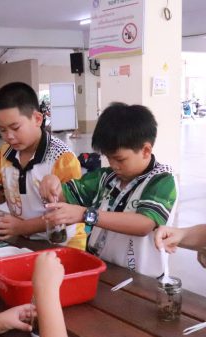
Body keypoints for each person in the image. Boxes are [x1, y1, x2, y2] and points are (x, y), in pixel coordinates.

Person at [40, 102, 177, 277]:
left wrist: (86, 214)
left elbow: (144, 224)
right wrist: (52, 182)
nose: (114, 165)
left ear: (145, 150)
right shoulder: (105, 177)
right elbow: (65, 195)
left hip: (142, 278)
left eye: (120, 159)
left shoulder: (162, 180)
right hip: (102, 268)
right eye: (109, 158)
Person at [0, 82, 86, 249]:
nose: (9, 136)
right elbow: (0, 195)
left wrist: (22, 227)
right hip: (24, 241)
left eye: (15, 128)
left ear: (37, 119)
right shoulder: (5, 154)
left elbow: (69, 213)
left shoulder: (62, 158)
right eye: (2, 130)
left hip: (65, 244)